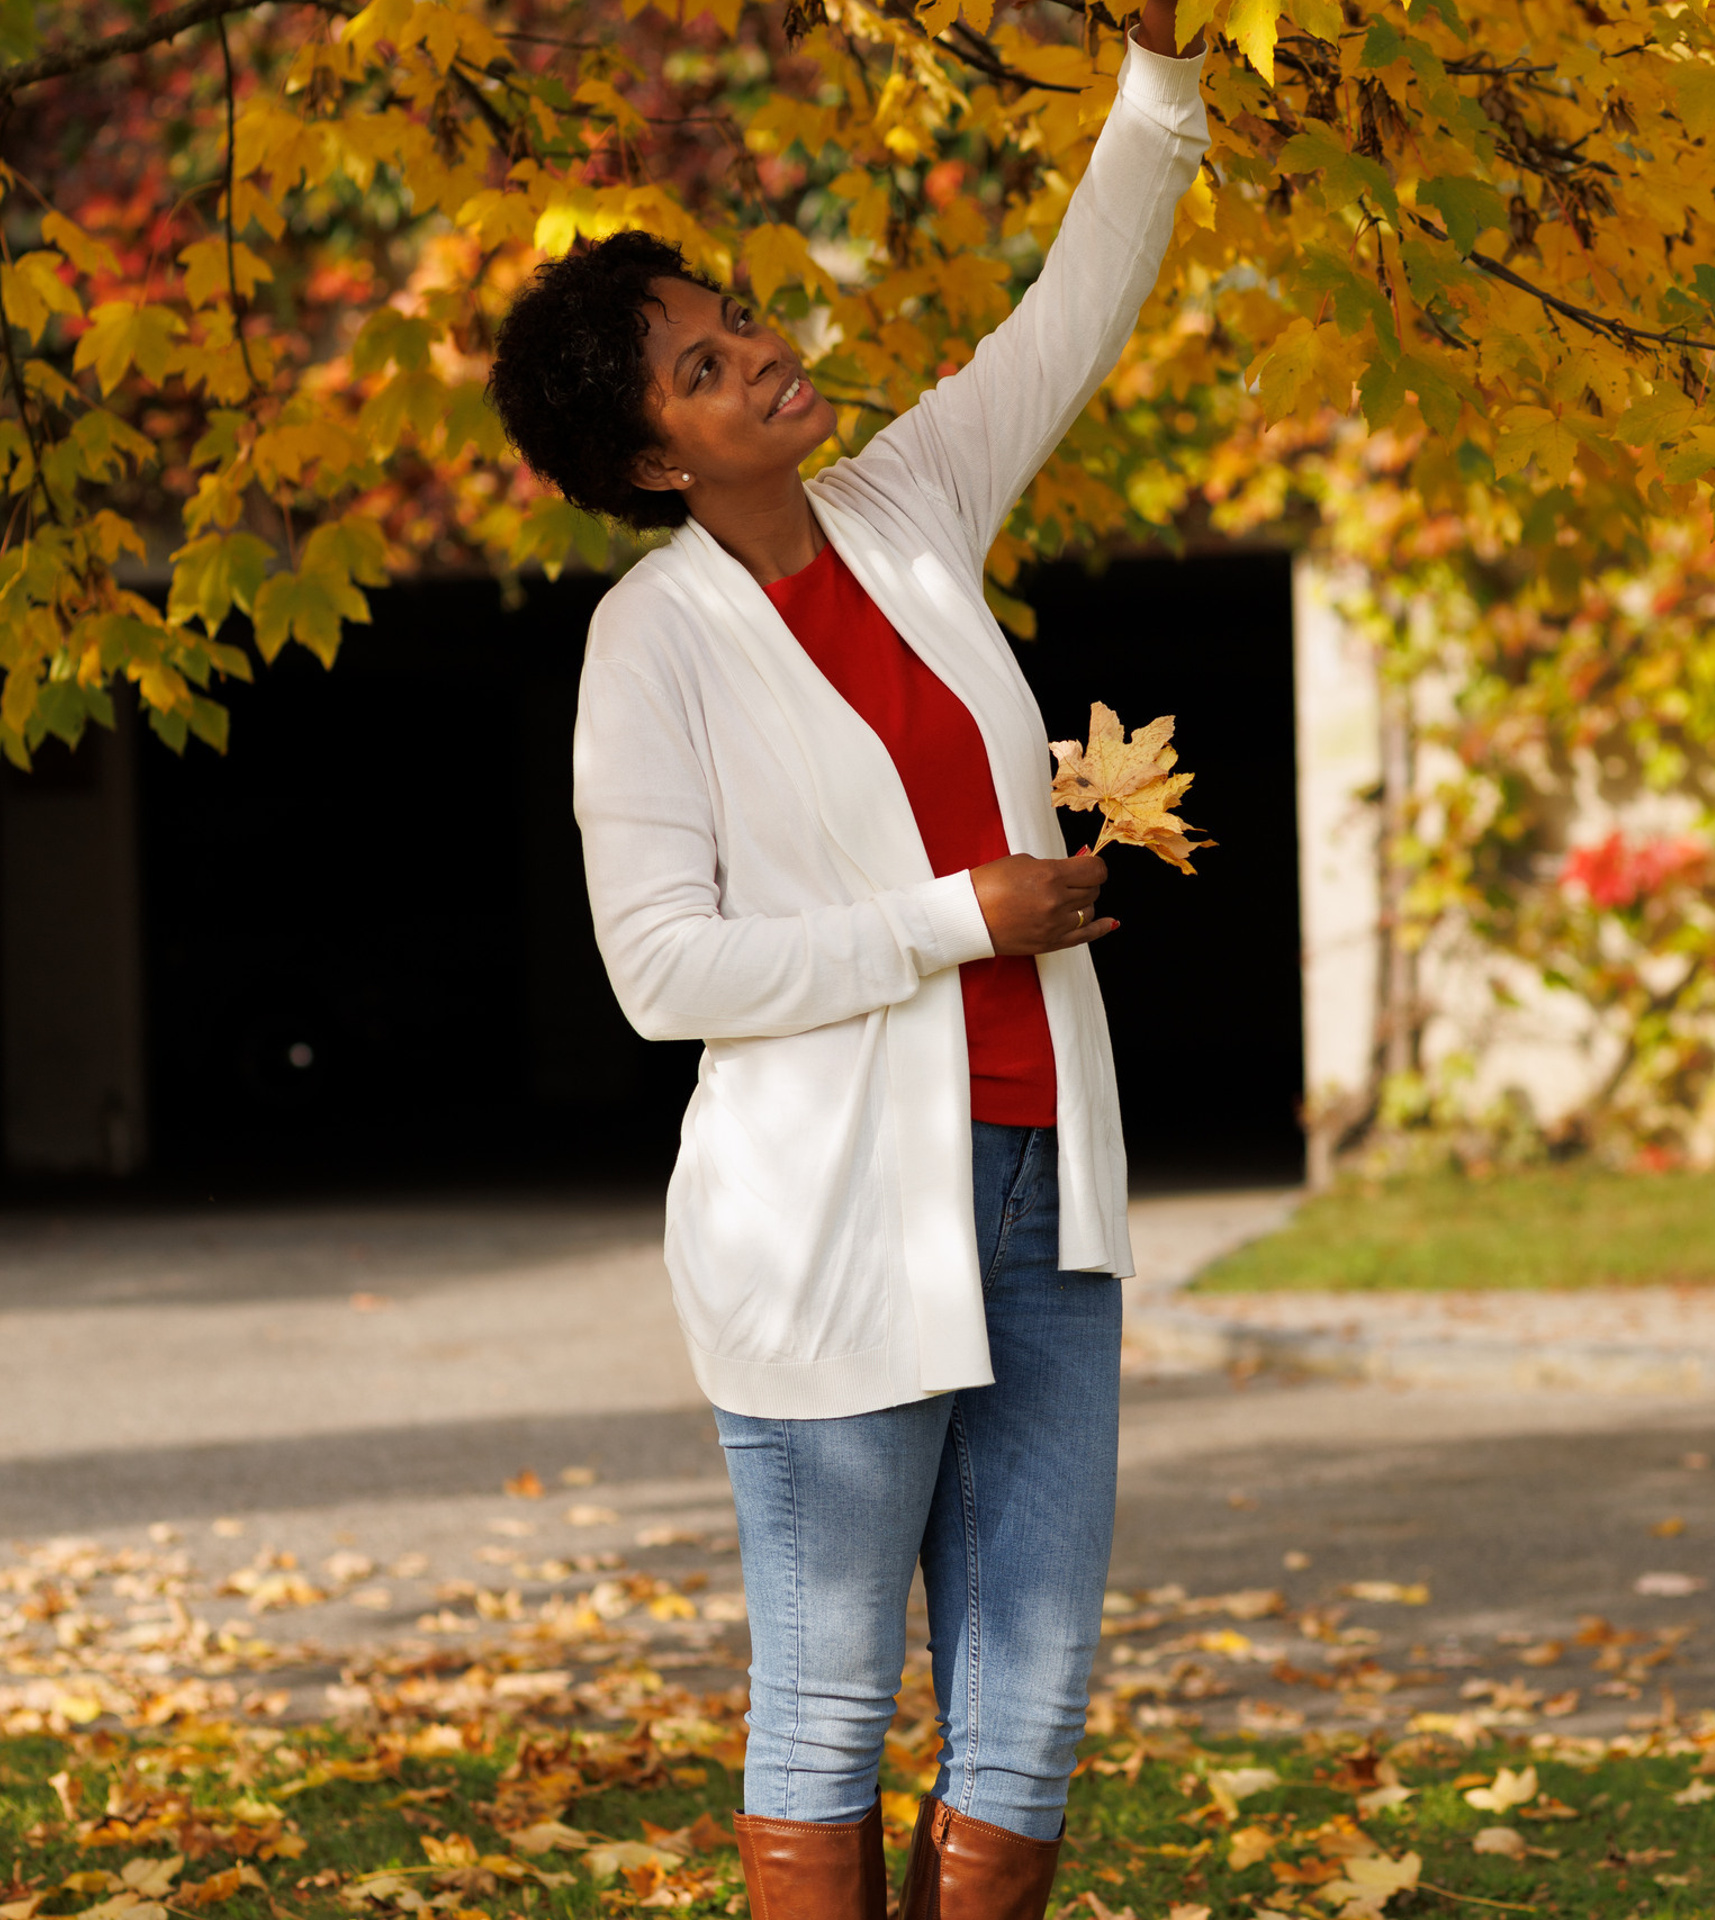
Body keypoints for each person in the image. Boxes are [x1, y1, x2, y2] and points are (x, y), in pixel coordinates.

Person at [486, 8, 1208, 1912]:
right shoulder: (654, 644)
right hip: (823, 1223)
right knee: (822, 1702)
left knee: (1032, 1700)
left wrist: (1163, 79)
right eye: (707, 367)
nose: (763, 354)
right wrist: (949, 918)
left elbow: (1074, 304)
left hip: (1046, 1189)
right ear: (650, 457)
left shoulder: (911, 513)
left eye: (739, 319)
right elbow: (660, 969)